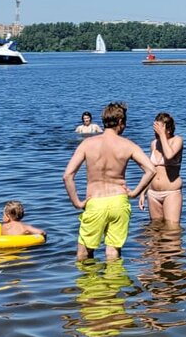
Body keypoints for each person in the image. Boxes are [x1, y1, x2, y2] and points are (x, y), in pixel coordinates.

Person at [63, 102, 156, 260]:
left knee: (84, 251)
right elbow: (151, 170)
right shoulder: (128, 145)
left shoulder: (87, 144)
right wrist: (134, 193)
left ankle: (89, 283)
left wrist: (77, 202)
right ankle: (113, 283)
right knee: (113, 251)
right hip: (119, 200)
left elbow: (68, 175)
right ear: (120, 122)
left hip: (96, 201)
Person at [138, 112, 184, 225]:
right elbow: (151, 170)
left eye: (158, 129)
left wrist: (162, 135)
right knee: (155, 230)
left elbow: (169, 155)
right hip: (153, 193)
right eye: (154, 128)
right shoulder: (154, 144)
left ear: (168, 129)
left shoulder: (177, 140)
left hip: (171, 192)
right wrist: (142, 192)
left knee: (172, 230)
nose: (155, 132)